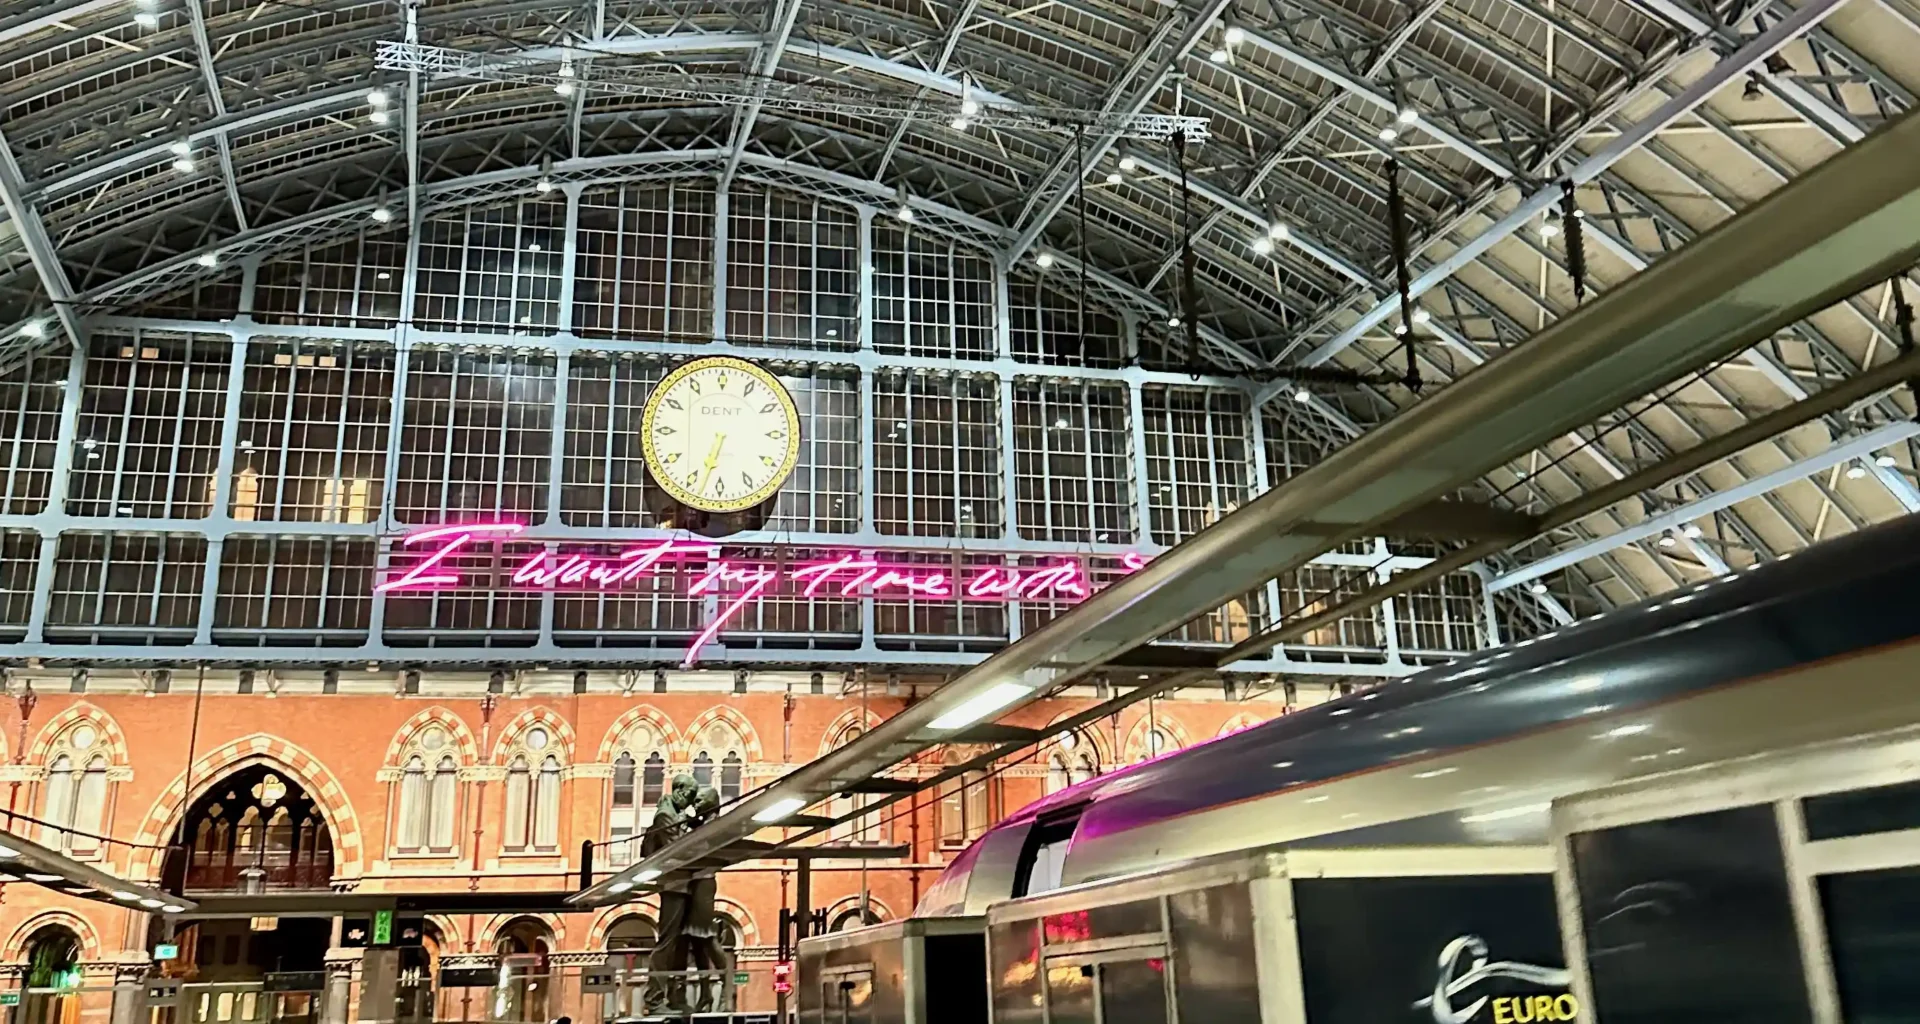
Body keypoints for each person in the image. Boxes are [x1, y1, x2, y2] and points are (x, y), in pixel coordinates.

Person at [682, 786, 731, 1011]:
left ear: (711, 802)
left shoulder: (715, 825)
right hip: (696, 881)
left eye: (700, 800)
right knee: (696, 940)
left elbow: (699, 849)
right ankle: (705, 994)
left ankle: (727, 987)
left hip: (704, 882)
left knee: (706, 935)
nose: (696, 803)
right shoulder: (703, 823)